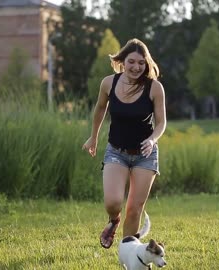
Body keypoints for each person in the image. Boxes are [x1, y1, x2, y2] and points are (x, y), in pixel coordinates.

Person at [82, 38, 167, 249]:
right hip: (116, 152)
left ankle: (127, 253)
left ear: (146, 64)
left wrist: (152, 139)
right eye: (131, 61)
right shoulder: (108, 83)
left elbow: (161, 122)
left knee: (135, 209)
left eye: (141, 62)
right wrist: (93, 137)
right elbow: (100, 109)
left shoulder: (154, 88)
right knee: (113, 202)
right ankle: (113, 221)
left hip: (145, 154)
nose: (136, 67)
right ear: (122, 60)